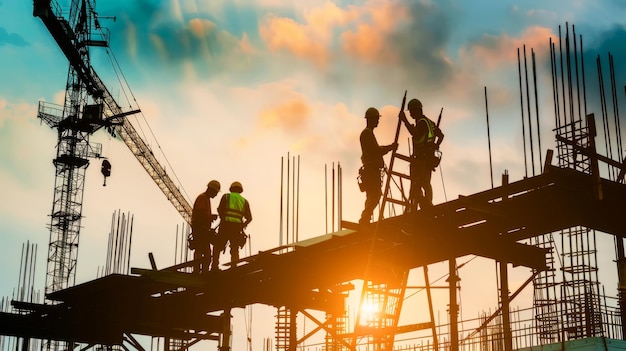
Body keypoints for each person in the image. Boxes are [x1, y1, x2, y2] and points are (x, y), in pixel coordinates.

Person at [399, 98, 444, 211]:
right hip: (428, 158)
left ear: (416, 110)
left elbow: (414, 133)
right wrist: (436, 145)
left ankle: (425, 205)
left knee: (416, 185)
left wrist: (404, 120)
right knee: (426, 183)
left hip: (420, 159)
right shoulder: (429, 122)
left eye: (411, 111)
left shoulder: (421, 123)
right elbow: (441, 135)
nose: (410, 114)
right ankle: (427, 203)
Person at [358, 107, 397, 224]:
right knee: (375, 194)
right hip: (371, 171)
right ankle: (365, 216)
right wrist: (390, 147)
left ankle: (366, 217)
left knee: (371, 195)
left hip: (371, 170)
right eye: (376, 119)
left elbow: (375, 150)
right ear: (371, 119)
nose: (378, 121)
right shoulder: (366, 133)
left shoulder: (368, 133)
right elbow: (376, 150)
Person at [213, 181, 252, 270]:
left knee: (218, 246)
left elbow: (220, 209)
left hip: (225, 225)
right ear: (240, 190)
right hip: (237, 228)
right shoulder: (244, 201)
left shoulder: (226, 196)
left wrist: (223, 219)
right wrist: (243, 225)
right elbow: (249, 218)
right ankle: (234, 266)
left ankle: (215, 266)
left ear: (231, 189)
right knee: (234, 248)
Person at [191, 180, 221, 273]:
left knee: (206, 251)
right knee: (200, 250)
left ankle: (203, 270)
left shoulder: (206, 199)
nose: (216, 195)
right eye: (215, 192)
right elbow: (200, 213)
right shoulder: (203, 198)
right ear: (211, 190)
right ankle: (197, 270)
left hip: (203, 228)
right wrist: (210, 217)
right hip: (200, 228)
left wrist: (209, 218)